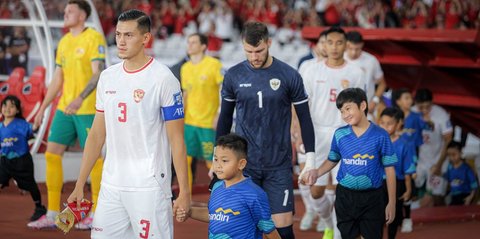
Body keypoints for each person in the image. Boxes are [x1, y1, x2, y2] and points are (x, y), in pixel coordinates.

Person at [67, 9, 190, 238]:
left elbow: (176, 139)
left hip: (149, 187)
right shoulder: (107, 77)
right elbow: (96, 135)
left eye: (129, 35)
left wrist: (184, 191)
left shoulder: (163, 79)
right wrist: (79, 183)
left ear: (145, 38)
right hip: (111, 185)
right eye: (118, 35)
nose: (121, 42)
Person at [215, 21, 316, 239]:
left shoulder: (289, 75)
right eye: (249, 51)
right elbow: (224, 118)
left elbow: (305, 118)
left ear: (269, 43)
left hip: (278, 164)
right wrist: (218, 157)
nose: (254, 57)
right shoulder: (233, 75)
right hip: (244, 165)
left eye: (259, 50)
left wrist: (311, 159)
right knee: (244, 225)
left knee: (283, 228)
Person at [28, 0, 107, 229]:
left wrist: (81, 97)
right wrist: (43, 109)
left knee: (94, 159)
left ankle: (96, 213)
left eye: (70, 10)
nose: (65, 13)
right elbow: (57, 79)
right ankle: (53, 213)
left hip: (87, 108)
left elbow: (98, 73)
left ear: (82, 15)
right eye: (65, 11)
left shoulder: (93, 38)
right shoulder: (63, 41)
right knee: (52, 154)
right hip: (64, 108)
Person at [296, 26, 366, 239]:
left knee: (340, 188)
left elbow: (362, 106)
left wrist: (360, 135)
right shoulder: (310, 70)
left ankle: (337, 234)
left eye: (339, 43)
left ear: (345, 45)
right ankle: (326, 221)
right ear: (322, 45)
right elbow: (299, 105)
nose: (334, 47)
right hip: (316, 133)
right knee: (315, 190)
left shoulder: (356, 72)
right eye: (330, 42)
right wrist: (299, 132)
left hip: (345, 134)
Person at [301, 88, 397, 239]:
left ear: (363, 105)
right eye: (341, 111)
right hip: (345, 197)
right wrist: (317, 172)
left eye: (348, 108)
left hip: (373, 198)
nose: (345, 115)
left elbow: (390, 169)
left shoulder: (381, 135)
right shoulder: (340, 134)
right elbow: (333, 159)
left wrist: (392, 202)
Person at [176, 133, 280, 239]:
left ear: (241, 164)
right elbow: (214, 215)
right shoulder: (216, 187)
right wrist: (188, 211)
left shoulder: (254, 194)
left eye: (224, 161)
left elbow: (269, 230)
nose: (218, 165)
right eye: (215, 159)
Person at [295, 29, 329, 233]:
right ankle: (310, 210)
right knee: (304, 175)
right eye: (323, 42)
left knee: (326, 182)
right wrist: (295, 129)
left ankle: (327, 219)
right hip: (308, 129)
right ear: (316, 46)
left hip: (330, 133)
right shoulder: (306, 67)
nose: (325, 47)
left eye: (329, 42)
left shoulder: (347, 69)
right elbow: (297, 101)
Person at [181, 33, 223, 189]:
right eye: (188, 42)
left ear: (203, 46)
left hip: (207, 123)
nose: (189, 45)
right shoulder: (185, 68)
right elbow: (186, 94)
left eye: (193, 42)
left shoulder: (214, 65)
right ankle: (186, 197)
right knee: (185, 161)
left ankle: (220, 197)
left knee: (212, 162)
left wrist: (219, 113)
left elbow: (223, 90)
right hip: (190, 122)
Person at [0, 95, 47, 222]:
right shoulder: (0, 127)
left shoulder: (22, 124)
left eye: (12, 106)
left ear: (17, 110)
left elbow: (33, 129)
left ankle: (39, 208)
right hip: (4, 161)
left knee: (30, 185)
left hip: (22, 161)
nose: (7, 108)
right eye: (5, 105)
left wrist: (37, 124)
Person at [391, 88, 425, 233]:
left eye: (410, 98)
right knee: (395, 187)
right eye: (406, 98)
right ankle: (397, 216)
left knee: (407, 186)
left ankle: (408, 218)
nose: (409, 101)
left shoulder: (417, 117)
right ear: (398, 101)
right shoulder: (392, 116)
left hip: (411, 156)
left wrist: (429, 122)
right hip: (394, 156)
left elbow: (426, 129)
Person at [379, 107, 416, 239]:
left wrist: (408, 189)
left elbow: (407, 171)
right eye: (382, 123)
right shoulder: (377, 142)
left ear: (399, 123)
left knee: (393, 216)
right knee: (378, 216)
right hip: (379, 183)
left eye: (389, 123)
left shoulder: (404, 145)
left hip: (398, 184)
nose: (385, 126)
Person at [413, 88, 453, 209]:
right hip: (420, 161)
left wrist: (439, 164)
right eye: (421, 107)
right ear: (415, 104)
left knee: (435, 199)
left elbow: (448, 140)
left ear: (432, 102)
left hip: (438, 159)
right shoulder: (411, 113)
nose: (424, 110)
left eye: (428, 106)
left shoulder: (441, 114)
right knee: (416, 194)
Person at [345, 31, 387, 120]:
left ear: (362, 45)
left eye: (357, 49)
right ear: (346, 44)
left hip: (365, 111)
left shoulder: (371, 61)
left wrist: (375, 101)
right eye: (350, 48)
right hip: (343, 112)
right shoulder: (339, 59)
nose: (353, 52)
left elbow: (382, 83)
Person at [444, 141, 478, 205]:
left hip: (465, 195)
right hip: (453, 196)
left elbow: (474, 185)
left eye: (454, 155)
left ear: (460, 153)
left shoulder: (466, 169)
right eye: (449, 155)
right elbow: (447, 180)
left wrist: (470, 197)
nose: (451, 158)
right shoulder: (449, 167)